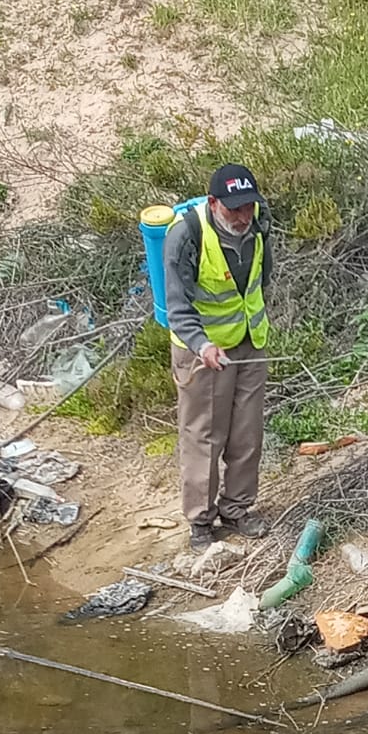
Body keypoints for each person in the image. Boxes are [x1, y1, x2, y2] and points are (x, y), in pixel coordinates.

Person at [163, 163, 273, 551]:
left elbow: (264, 276)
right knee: (204, 435)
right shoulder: (185, 236)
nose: (243, 216)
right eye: (234, 209)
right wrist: (203, 345)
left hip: (249, 342)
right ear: (213, 203)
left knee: (247, 431)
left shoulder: (259, 222)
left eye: (248, 207)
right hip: (202, 351)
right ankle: (201, 520)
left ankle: (238, 508)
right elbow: (178, 306)